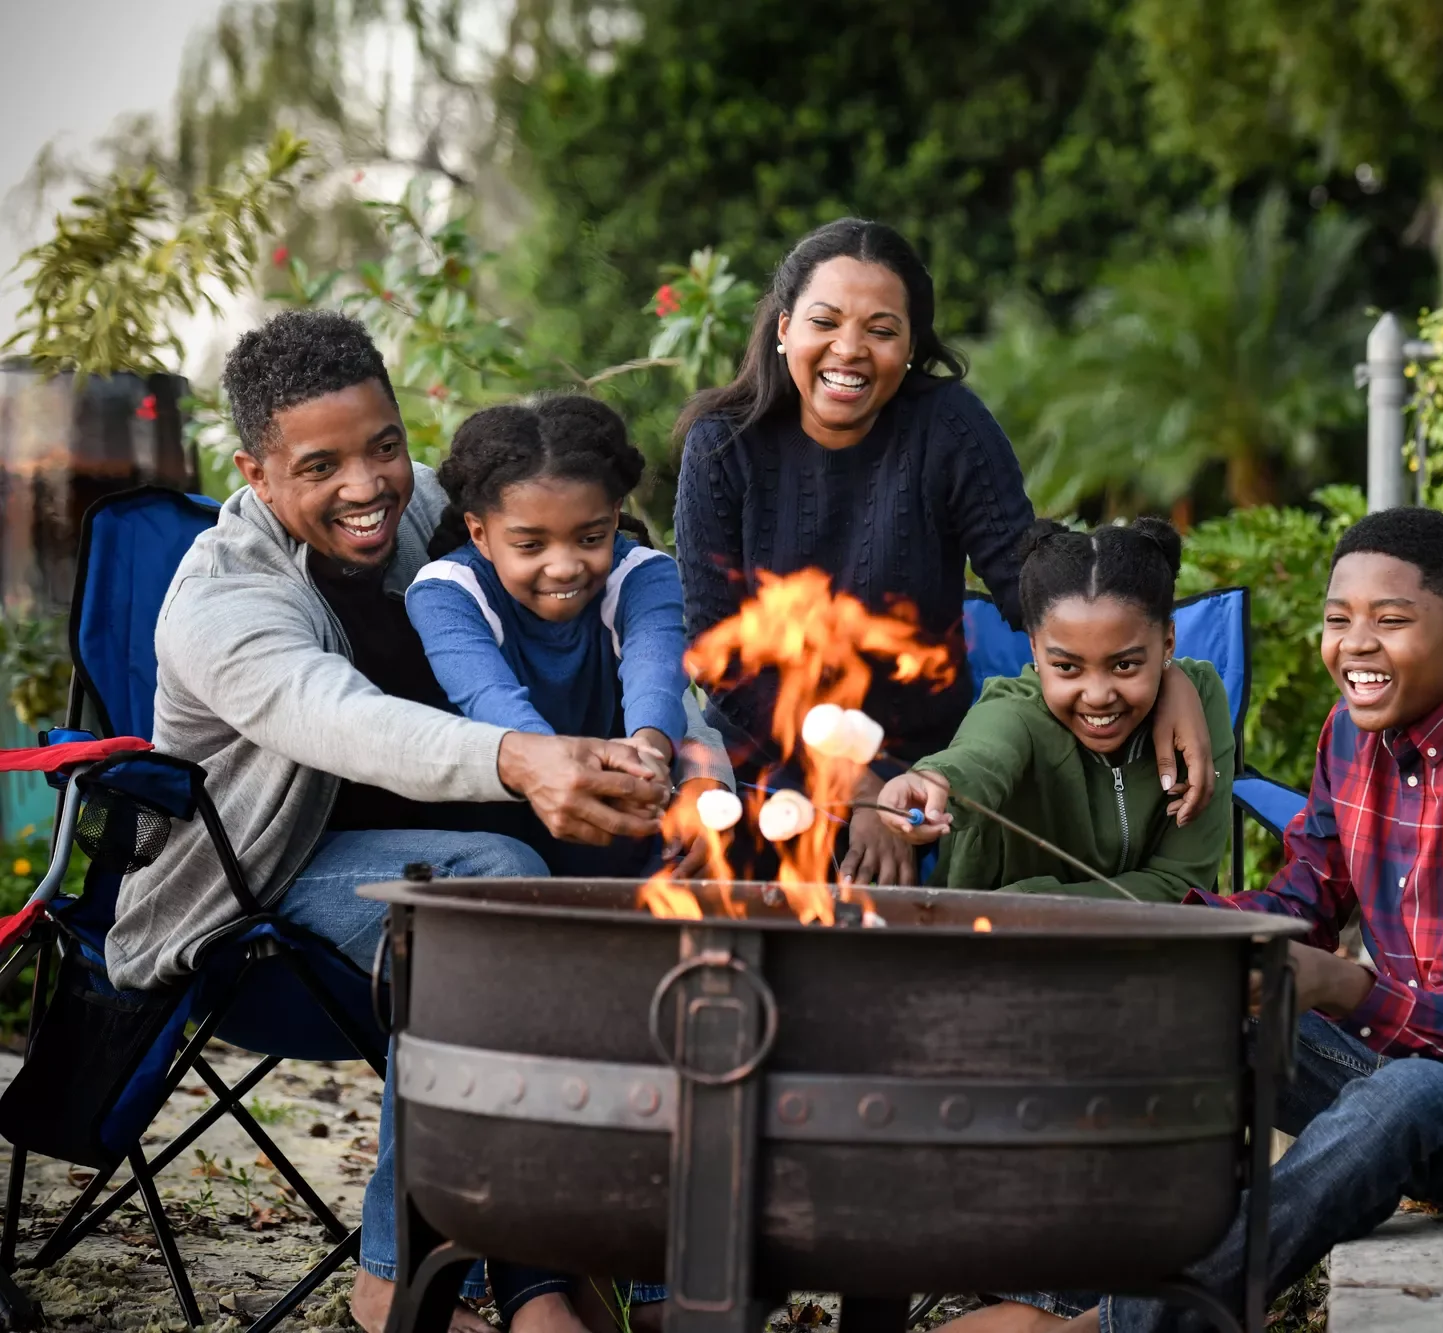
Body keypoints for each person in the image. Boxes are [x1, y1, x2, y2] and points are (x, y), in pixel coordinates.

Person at [107, 310, 723, 1333]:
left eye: (383, 445)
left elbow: (606, 578)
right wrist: (519, 757)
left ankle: (619, 1271)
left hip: (440, 864)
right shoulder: (224, 603)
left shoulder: (441, 513)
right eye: (322, 465)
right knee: (485, 890)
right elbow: (343, 720)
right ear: (254, 471)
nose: (368, 485)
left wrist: (666, 734)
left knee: (613, 889)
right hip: (254, 888)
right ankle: (405, 1279)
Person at [947, 507, 1443, 1333]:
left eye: (1390, 620)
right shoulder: (1352, 734)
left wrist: (1336, 983)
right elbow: (1301, 902)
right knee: (1182, 1006)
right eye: (1339, 620)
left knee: (1404, 1098)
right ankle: (1056, 1296)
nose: (1355, 644)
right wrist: (1173, 938)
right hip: (1408, 1062)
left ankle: (1126, 1326)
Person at [674, 218, 1216, 887]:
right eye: (825, 321)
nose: (850, 349)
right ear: (784, 328)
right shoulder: (723, 445)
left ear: (909, 347)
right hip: (765, 749)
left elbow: (1036, 584)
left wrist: (1173, 677)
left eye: (881, 329)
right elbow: (716, 650)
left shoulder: (947, 427)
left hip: (925, 758)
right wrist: (851, 783)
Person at [408, 395, 726, 876]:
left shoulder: (642, 575)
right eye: (531, 545)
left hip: (625, 833)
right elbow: (489, 699)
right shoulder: (448, 594)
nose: (564, 567)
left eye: (590, 538)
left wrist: (646, 756)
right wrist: (565, 772)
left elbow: (655, 676)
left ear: (615, 514)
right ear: (478, 532)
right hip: (493, 851)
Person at [876, 519, 1232, 901]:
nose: (1097, 695)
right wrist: (934, 782)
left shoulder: (1201, 696)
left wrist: (1034, 903)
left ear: (1168, 644)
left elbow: (1180, 884)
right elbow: (980, 755)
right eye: (1067, 667)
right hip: (999, 947)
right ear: (1034, 650)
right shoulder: (1014, 713)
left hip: (1148, 953)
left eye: (1124, 665)